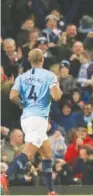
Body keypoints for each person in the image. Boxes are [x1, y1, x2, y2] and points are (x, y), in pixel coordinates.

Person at [2, 49, 63, 195]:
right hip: (39, 119)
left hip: (27, 118)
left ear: (29, 60)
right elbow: (56, 97)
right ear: (42, 59)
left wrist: (23, 104)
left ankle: (51, 192)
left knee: (47, 154)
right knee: (28, 154)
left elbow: (12, 96)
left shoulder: (22, 77)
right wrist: (57, 87)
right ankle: (4, 177)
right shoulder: (49, 75)